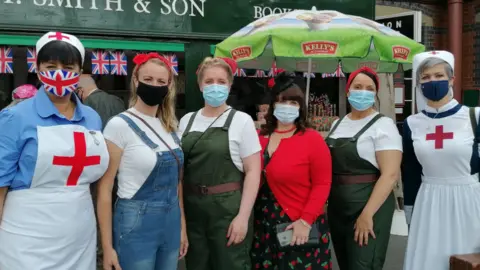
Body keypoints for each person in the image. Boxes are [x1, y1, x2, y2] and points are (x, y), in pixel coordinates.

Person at [0, 31, 109, 269]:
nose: (59, 72)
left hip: (80, 234)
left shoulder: (91, 117)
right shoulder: (15, 117)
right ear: (37, 69)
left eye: (69, 66)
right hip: (26, 236)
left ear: (80, 72)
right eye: (50, 65)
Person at [97, 52, 186, 270]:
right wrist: (107, 247)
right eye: (148, 80)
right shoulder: (119, 125)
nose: (154, 85)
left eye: (161, 81)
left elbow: (177, 183)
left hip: (171, 221)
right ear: (135, 81)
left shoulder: (171, 127)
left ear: (168, 87)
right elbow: (104, 190)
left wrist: (181, 225)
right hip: (135, 223)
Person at [178, 57, 261, 270]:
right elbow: (179, 172)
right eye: (209, 81)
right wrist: (181, 221)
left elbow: (253, 171)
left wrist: (243, 217)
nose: (215, 86)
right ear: (200, 85)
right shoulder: (187, 121)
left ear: (230, 85)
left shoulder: (241, 121)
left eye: (221, 81)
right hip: (193, 209)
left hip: (227, 211)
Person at [403, 51, 480, 270]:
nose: (432, 81)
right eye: (426, 77)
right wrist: (409, 210)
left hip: (469, 200)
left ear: (451, 80)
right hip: (429, 202)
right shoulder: (412, 123)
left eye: (438, 75)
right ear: (419, 84)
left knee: (467, 260)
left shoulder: (473, 116)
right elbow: (410, 170)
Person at [251, 72, 333, 269]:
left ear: (301, 108)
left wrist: (305, 221)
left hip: (299, 223)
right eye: (282, 101)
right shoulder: (258, 137)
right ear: (272, 105)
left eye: (293, 103)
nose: (287, 107)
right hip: (264, 223)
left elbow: (322, 184)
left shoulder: (312, 139)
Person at [325, 67, 402, 270]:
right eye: (357, 87)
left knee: (363, 264)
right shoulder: (337, 124)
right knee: (344, 263)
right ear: (347, 91)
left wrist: (367, 215)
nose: (363, 92)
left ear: (375, 94)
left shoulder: (383, 126)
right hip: (338, 209)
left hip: (369, 208)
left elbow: (390, 174)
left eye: (369, 88)